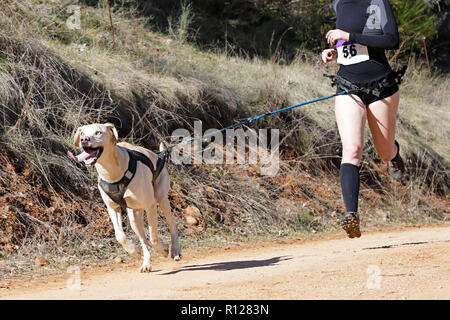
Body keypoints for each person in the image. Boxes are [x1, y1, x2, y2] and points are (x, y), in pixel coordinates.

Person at [321, 0, 405, 238]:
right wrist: (334, 51)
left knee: (384, 151)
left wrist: (347, 35)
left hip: (381, 86)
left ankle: (394, 156)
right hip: (348, 85)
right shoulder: (339, 4)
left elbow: (390, 40)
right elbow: (349, 45)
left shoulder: (377, 1)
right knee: (352, 149)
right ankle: (351, 215)